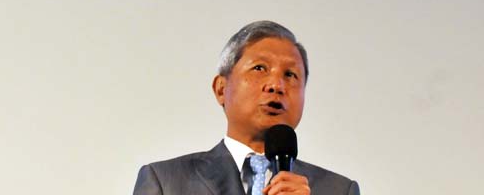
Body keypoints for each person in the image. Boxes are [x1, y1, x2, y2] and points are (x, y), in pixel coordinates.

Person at [132, 20, 360, 195]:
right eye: (260, 68)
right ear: (221, 89)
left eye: (290, 74)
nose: (276, 85)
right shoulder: (165, 182)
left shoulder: (339, 190)